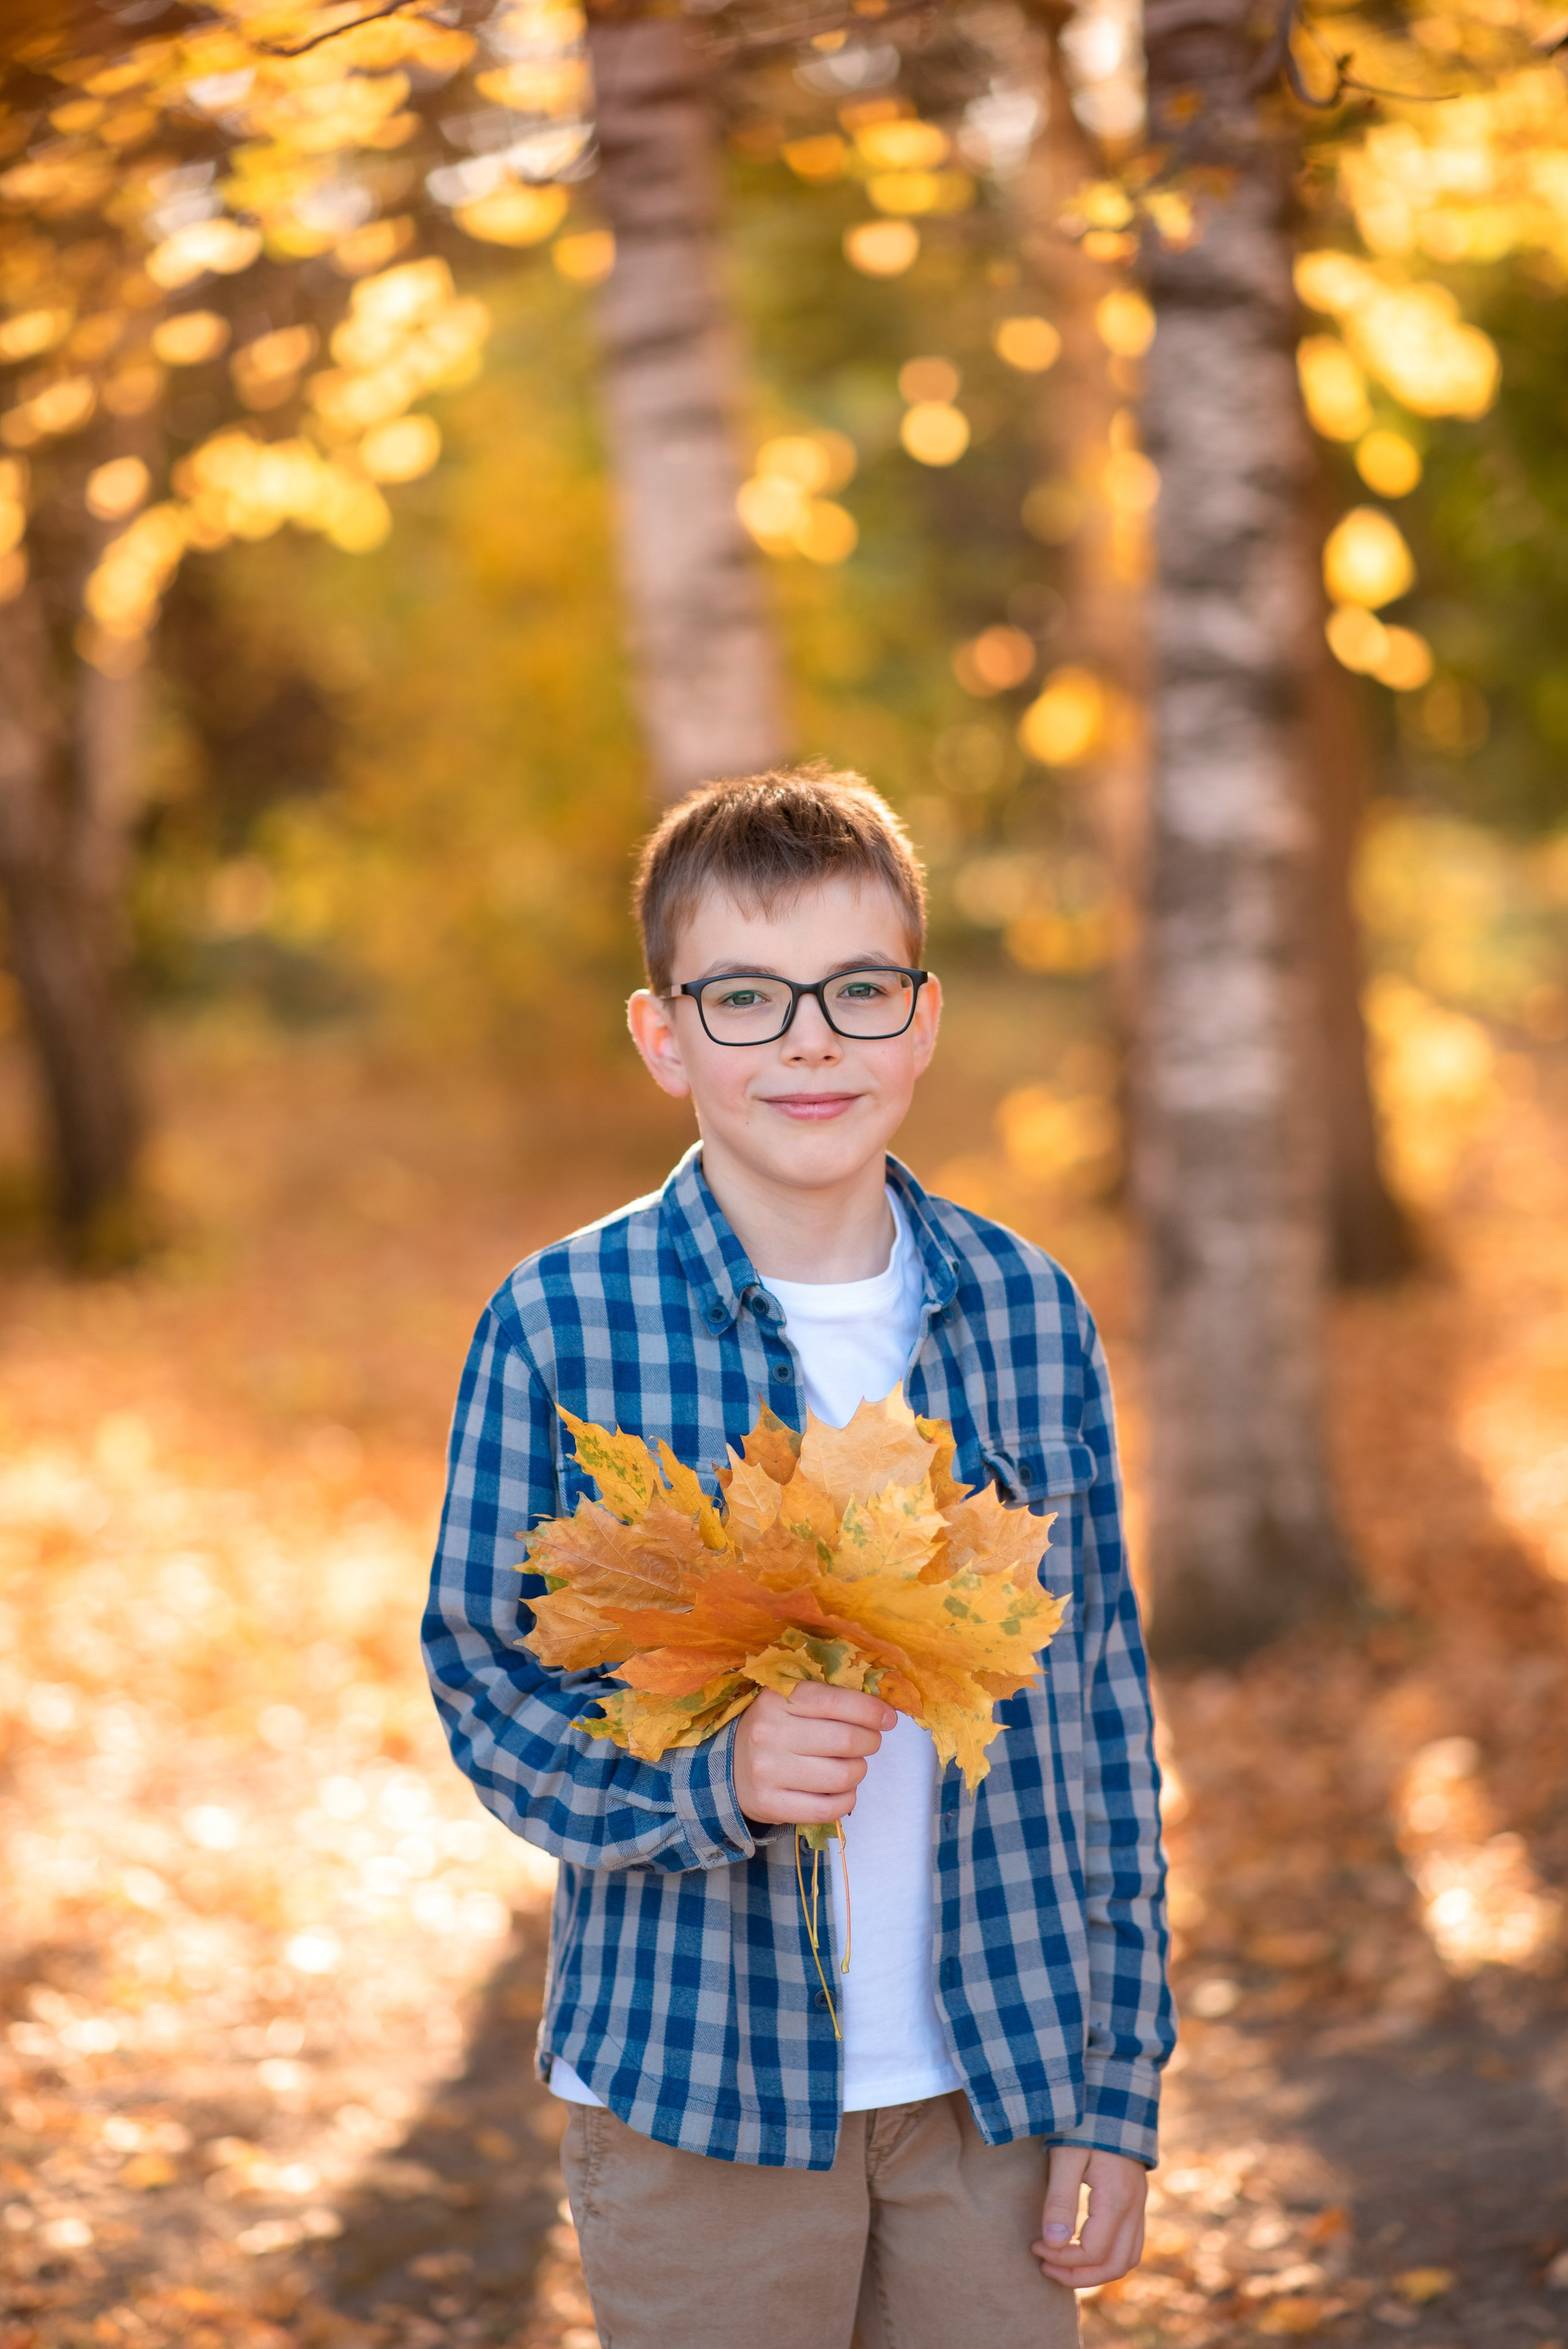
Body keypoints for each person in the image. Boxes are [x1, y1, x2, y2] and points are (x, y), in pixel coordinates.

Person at [423, 766, 1174, 2349]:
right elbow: (483, 1678)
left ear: (923, 1017)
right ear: (665, 1034)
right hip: (697, 2094)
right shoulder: (565, 1322)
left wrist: (1121, 2081)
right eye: (749, 997)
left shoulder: (1028, 1311)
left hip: (1001, 2079)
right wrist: (715, 1781)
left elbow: (1104, 1706)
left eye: (857, 988)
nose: (811, 1038)